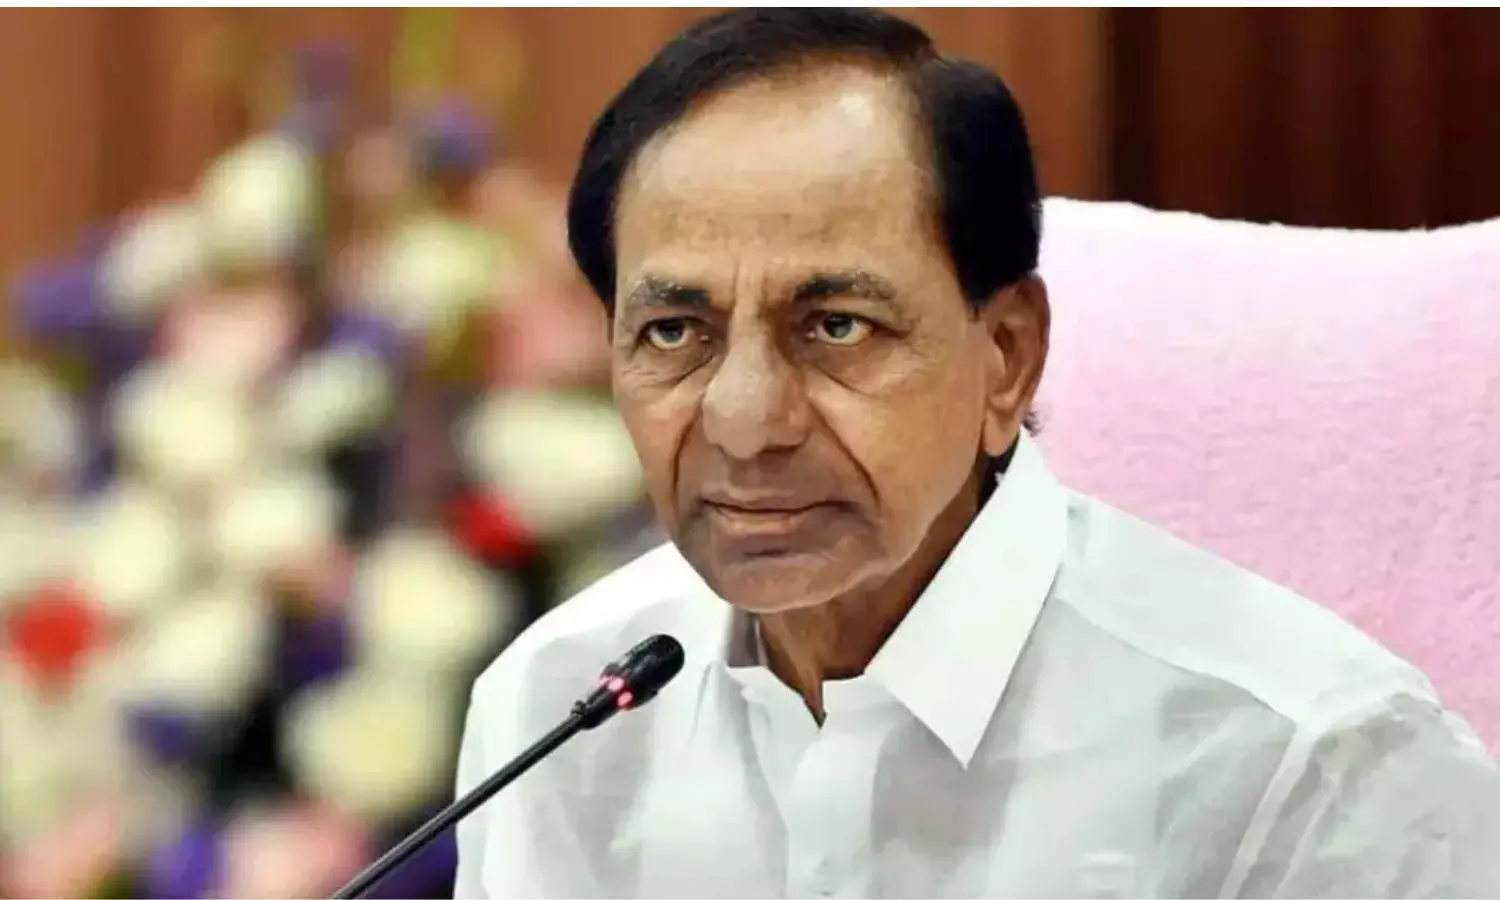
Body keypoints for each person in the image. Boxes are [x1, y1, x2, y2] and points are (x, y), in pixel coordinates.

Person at [454, 8, 1500, 897]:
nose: (744, 421)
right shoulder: (558, 709)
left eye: (836, 326)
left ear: (1006, 357)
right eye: (675, 332)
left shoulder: (1316, 761)